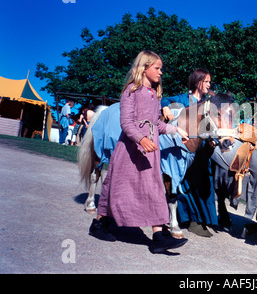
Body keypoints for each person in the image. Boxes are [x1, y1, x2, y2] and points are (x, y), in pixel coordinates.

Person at [89, 50, 189, 253]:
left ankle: (159, 235)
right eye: (157, 68)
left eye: (161, 69)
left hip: (150, 152)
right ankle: (99, 223)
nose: (161, 72)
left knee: (154, 189)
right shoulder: (131, 91)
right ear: (144, 68)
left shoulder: (155, 95)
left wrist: (175, 130)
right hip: (130, 150)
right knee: (116, 186)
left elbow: (156, 124)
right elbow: (126, 123)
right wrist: (141, 139)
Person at [160, 68, 217, 237]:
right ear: (197, 81)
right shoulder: (183, 99)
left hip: (203, 149)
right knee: (185, 184)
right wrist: (165, 108)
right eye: (206, 81)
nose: (209, 84)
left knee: (206, 183)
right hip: (184, 149)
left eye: (209, 81)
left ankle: (206, 220)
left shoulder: (208, 102)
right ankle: (191, 221)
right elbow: (164, 99)